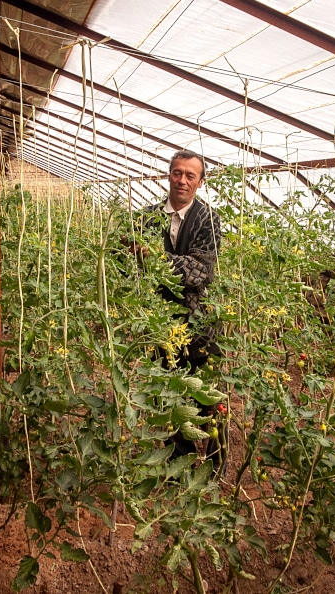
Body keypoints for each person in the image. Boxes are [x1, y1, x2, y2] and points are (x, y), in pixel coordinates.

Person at [126, 149, 224, 468]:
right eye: (177, 172)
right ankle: (175, 458)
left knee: (202, 394)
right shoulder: (147, 216)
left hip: (198, 322)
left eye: (189, 175)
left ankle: (213, 458)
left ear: (200, 181)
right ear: (168, 174)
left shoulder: (208, 218)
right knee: (167, 390)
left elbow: (200, 271)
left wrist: (153, 258)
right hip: (160, 319)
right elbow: (126, 256)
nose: (182, 180)